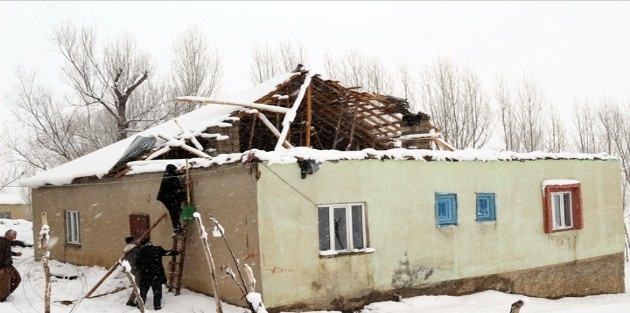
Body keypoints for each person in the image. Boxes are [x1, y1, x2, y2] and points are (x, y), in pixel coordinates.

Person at [136, 238, 179, 310]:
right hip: (157, 275)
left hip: (145, 276)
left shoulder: (141, 252)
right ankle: (157, 307)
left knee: (143, 293)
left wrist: (144, 267)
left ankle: (140, 306)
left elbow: (137, 265)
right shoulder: (157, 249)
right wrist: (177, 252)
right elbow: (167, 253)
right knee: (157, 293)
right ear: (150, 242)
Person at [157, 164, 187, 236]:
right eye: (174, 170)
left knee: (176, 208)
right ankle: (177, 229)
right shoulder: (168, 178)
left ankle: (178, 211)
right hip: (166, 198)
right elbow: (175, 187)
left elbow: (175, 175)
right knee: (174, 212)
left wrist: (181, 172)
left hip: (170, 196)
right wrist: (185, 184)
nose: (175, 171)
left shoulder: (169, 174)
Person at [0, 229, 23, 302]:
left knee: (17, 279)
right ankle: (1, 298)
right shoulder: (1, 242)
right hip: (3, 266)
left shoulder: (7, 241)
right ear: (8, 234)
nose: (15, 238)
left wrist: (15, 254)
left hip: (9, 264)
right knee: (3, 283)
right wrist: (1, 268)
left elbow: (6, 252)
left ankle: (6, 293)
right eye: (14, 236)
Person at [122, 236, 141, 307]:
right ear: (132, 241)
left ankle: (132, 300)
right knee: (138, 286)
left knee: (137, 285)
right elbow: (138, 259)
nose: (137, 240)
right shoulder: (135, 249)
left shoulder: (127, 249)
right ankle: (132, 301)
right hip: (137, 269)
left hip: (132, 269)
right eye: (135, 239)